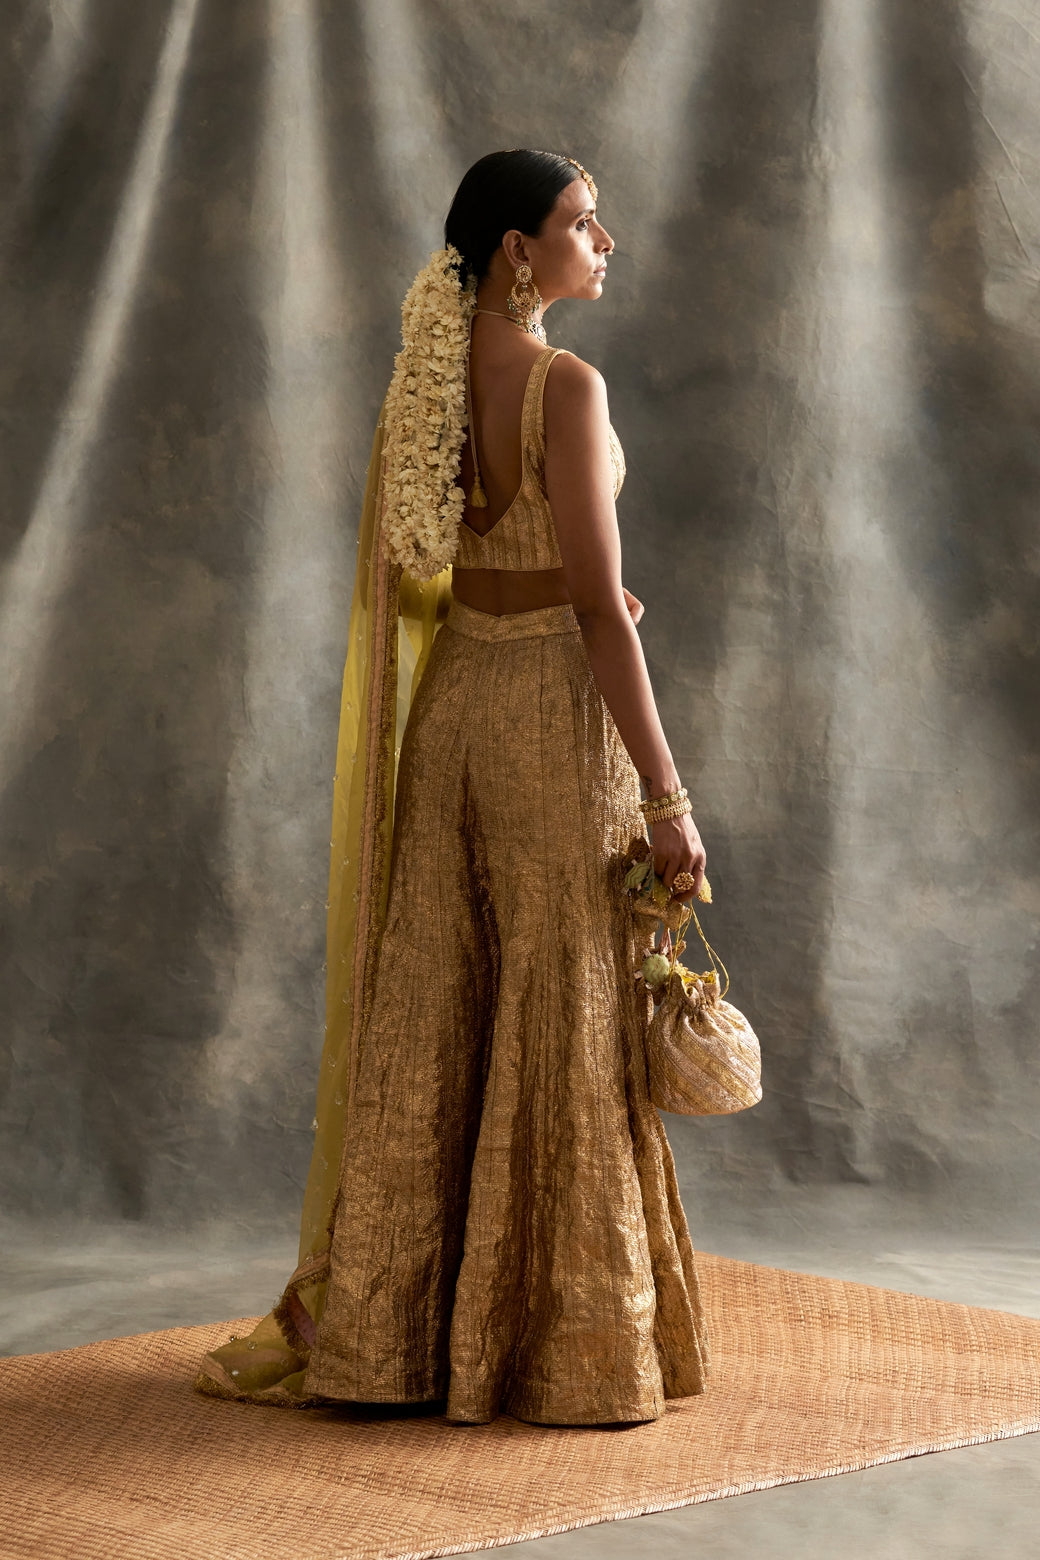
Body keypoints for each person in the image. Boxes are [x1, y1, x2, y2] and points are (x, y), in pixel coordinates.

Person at [195, 149, 711, 1426]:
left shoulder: (425, 380)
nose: (605, 241)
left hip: (454, 708)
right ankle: (561, 1350)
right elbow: (591, 607)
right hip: (547, 722)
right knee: (559, 1002)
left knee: (440, 1001)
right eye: (582, 222)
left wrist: (569, 593)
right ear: (517, 253)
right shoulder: (564, 385)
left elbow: (456, 569)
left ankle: (394, 1345)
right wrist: (666, 795)